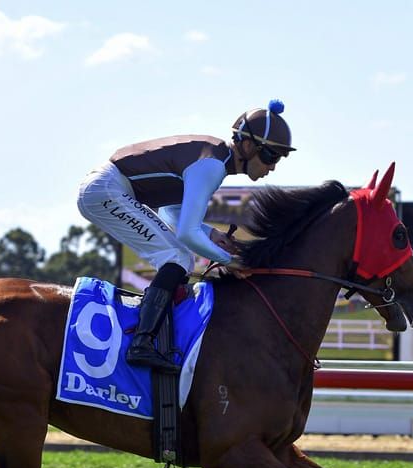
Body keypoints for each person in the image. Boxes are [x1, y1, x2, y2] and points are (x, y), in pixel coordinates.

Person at [76, 99, 294, 372]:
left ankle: (150, 335)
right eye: (270, 156)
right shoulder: (212, 166)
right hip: (106, 189)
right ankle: (141, 343)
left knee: (178, 256)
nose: (272, 167)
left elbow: (171, 214)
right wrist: (229, 261)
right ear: (248, 146)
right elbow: (187, 234)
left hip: (106, 187)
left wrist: (213, 235)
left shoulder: (215, 159)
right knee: (178, 256)